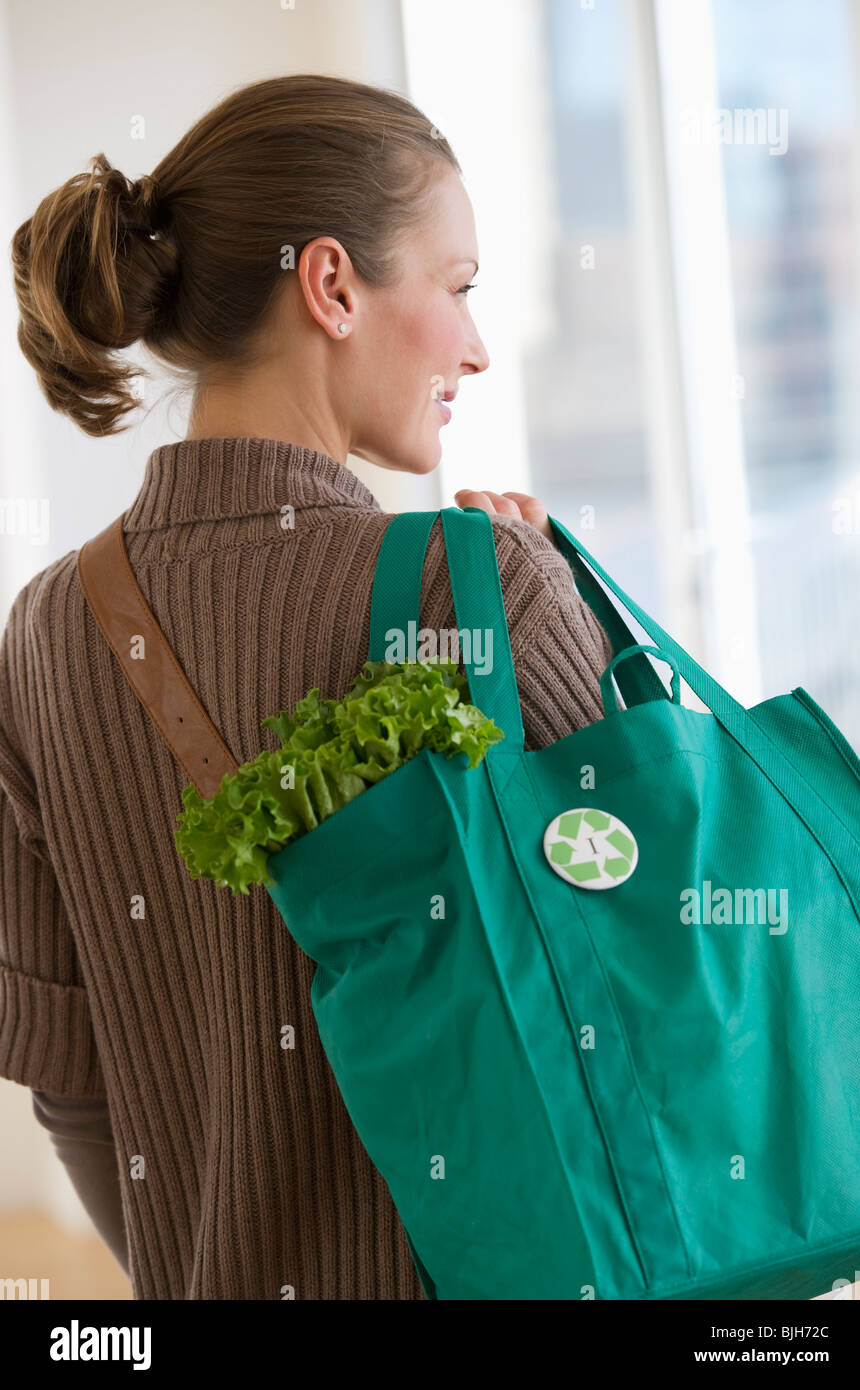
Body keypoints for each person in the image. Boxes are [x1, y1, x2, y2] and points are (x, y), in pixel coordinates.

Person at [0, 73, 613, 1299]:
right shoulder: (477, 593)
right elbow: (656, 986)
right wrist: (566, 614)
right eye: (459, 289)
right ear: (331, 285)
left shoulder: (41, 634)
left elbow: (70, 1079)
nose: (478, 346)